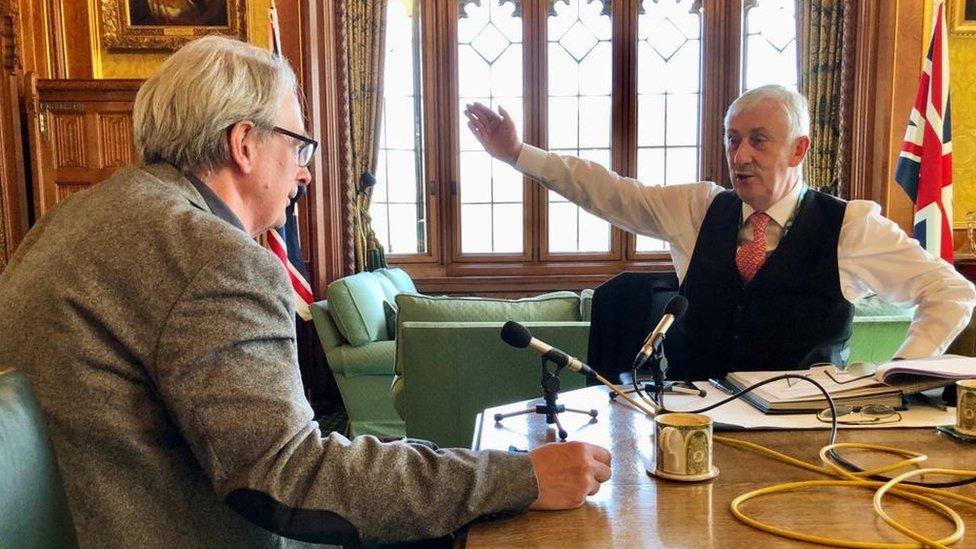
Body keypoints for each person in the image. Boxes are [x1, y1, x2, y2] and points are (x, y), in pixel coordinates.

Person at [0, 36, 611, 547]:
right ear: (243, 145)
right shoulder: (215, 260)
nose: (305, 171)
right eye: (297, 145)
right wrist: (516, 478)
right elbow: (289, 477)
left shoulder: (70, 219)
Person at [464, 85, 976, 381]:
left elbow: (952, 291)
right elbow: (608, 191)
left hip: (803, 433)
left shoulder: (852, 227)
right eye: (733, 140)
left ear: (799, 149)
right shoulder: (697, 208)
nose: (740, 155)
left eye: (758, 140)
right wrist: (517, 154)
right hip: (696, 424)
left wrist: (902, 374)